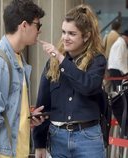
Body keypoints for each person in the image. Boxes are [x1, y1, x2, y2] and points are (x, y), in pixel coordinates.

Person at [0, 0, 45, 158]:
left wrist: (26, 119)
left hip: (14, 152)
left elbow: (8, 111)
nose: (39, 31)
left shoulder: (17, 58)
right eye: (38, 26)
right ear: (24, 25)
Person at [33, 4, 106, 158]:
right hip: (57, 137)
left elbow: (88, 86)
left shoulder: (97, 61)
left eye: (72, 33)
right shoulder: (52, 63)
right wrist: (39, 143)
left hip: (88, 139)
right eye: (64, 32)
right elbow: (43, 104)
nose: (65, 37)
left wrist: (61, 59)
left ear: (86, 36)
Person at [103, 21, 121, 93]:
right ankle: (117, 98)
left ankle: (107, 98)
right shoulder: (118, 37)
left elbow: (102, 47)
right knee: (116, 82)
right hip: (115, 63)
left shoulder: (107, 36)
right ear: (119, 28)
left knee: (107, 81)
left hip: (106, 60)